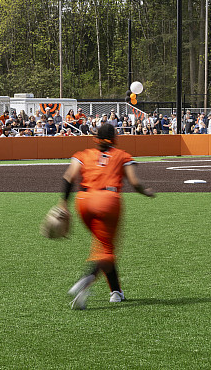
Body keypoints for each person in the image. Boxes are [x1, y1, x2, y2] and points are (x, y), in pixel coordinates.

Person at [59, 123, 155, 310]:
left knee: (104, 246)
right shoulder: (122, 155)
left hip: (83, 201)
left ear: (95, 138)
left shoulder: (83, 154)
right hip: (107, 201)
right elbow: (134, 182)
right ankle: (86, 279)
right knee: (106, 251)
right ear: (114, 139)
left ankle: (116, 292)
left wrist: (63, 203)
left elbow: (69, 177)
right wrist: (146, 192)